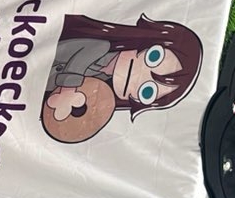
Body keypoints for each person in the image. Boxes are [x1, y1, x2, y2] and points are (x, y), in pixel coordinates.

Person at [42, 13, 203, 142]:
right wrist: (69, 88)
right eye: (153, 57)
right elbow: (80, 56)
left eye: (147, 92)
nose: (138, 75)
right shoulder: (101, 47)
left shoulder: (95, 88)